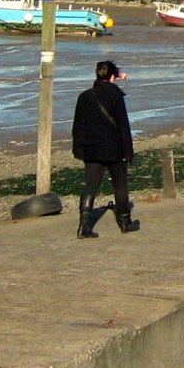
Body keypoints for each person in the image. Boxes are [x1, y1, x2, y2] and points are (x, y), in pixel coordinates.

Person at [71, 60, 139, 238]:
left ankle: (83, 226)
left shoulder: (84, 96)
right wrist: (128, 152)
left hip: (91, 149)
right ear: (112, 76)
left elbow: (77, 127)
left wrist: (78, 150)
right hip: (114, 149)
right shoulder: (116, 95)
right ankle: (125, 222)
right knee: (120, 185)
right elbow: (123, 126)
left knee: (91, 186)